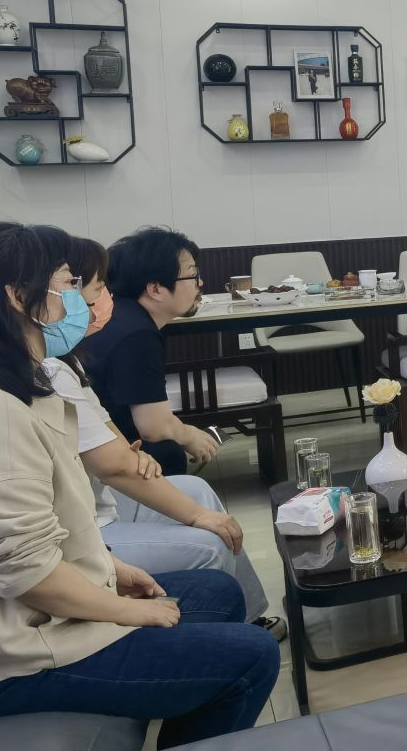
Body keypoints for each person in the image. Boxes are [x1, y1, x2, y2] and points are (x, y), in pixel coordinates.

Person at [0, 222, 278, 747]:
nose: (80, 300)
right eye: (68, 283)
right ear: (18, 298)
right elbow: (27, 572)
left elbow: (39, 529)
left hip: (22, 620)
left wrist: (109, 570)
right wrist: (124, 610)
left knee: (219, 593)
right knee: (253, 656)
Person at [40, 234, 281, 638]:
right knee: (207, 535)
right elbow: (133, 446)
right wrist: (191, 500)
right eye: (93, 288)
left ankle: (249, 616)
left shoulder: (70, 359)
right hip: (83, 517)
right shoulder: (115, 340)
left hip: (95, 492)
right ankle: (223, 633)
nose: (104, 300)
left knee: (196, 490)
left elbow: (109, 430)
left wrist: (129, 454)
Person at [87, 225, 217, 477]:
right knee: (167, 452)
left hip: (97, 440)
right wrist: (190, 436)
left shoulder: (120, 316)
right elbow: (153, 427)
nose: (200, 283)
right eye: (192, 275)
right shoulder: (137, 334)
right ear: (155, 289)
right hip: (100, 454)